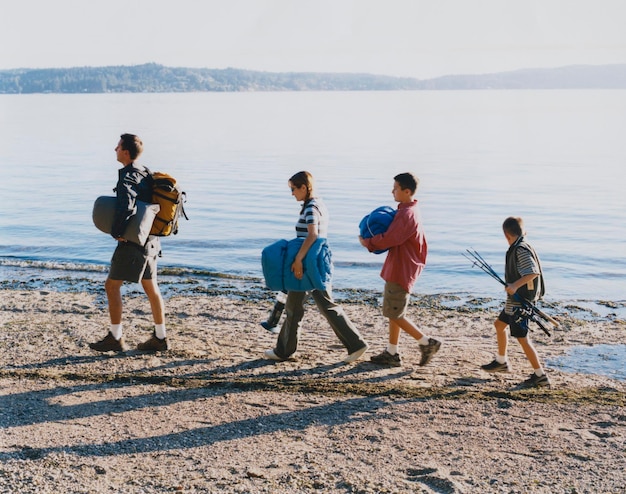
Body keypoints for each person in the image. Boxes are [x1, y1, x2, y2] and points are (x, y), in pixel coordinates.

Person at [264, 171, 369, 364]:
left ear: (304, 187)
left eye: (293, 189)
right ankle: (284, 350)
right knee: (294, 307)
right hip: (315, 261)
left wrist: (298, 260)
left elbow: (312, 235)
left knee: (324, 305)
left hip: (308, 264)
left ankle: (356, 344)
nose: (292, 193)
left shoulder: (312, 207)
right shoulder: (317, 204)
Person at [89, 133, 169, 353]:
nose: (114, 149)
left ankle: (116, 338)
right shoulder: (145, 172)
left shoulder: (128, 176)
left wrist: (116, 232)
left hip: (133, 242)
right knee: (151, 287)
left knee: (111, 286)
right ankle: (160, 338)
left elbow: (127, 206)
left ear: (125, 152)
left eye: (118, 146)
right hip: (151, 240)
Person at [358, 172, 440, 367]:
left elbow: (390, 238)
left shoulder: (406, 214)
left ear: (407, 191)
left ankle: (426, 342)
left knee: (395, 313)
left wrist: (367, 242)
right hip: (399, 266)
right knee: (394, 310)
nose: (392, 191)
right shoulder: (408, 209)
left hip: (402, 268)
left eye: (395, 188)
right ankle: (392, 352)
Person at [480, 217, 550, 388]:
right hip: (514, 302)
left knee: (522, 338)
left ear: (506, 235)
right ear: (522, 231)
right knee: (499, 325)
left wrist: (514, 285)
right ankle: (501, 361)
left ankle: (540, 376)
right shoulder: (521, 244)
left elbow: (532, 273)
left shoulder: (520, 250)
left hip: (521, 303)